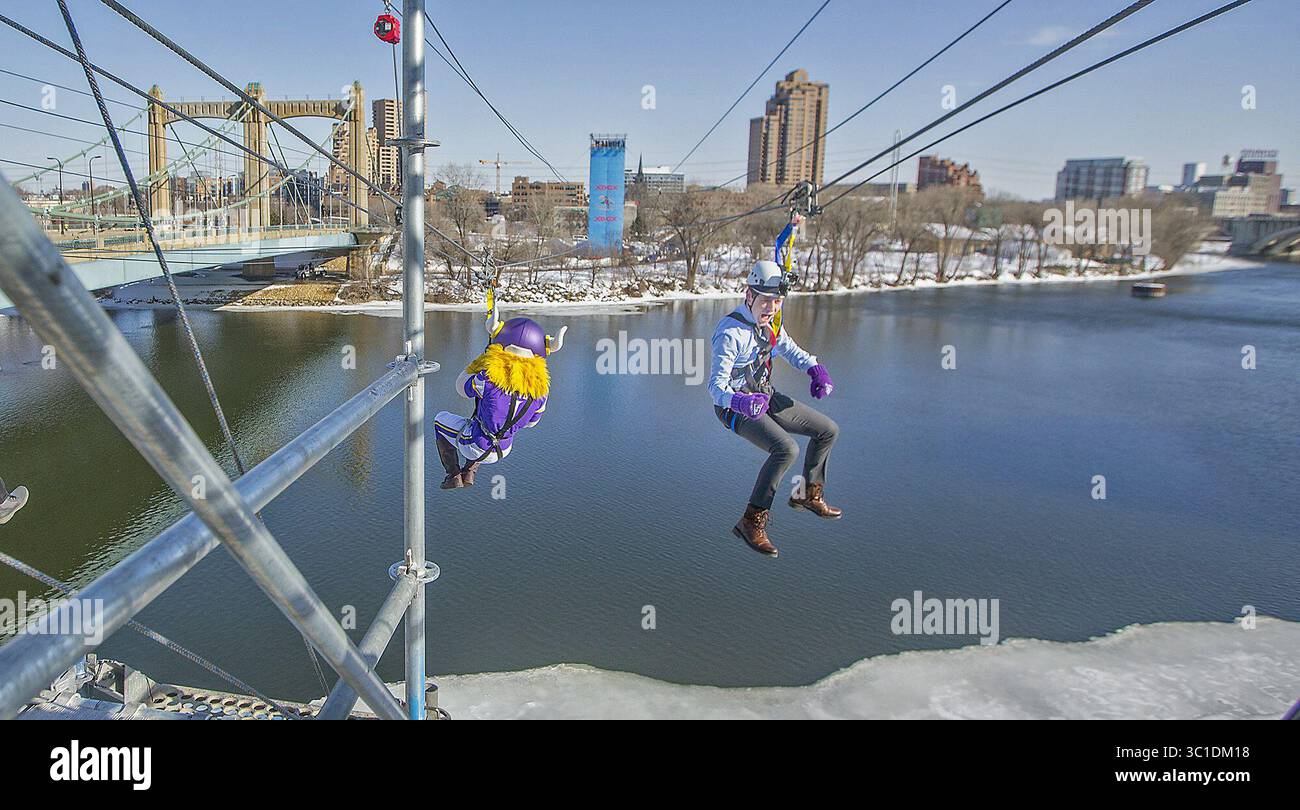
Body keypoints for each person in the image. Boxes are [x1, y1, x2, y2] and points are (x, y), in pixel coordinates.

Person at [709, 260, 840, 557]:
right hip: (734, 407)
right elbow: (715, 388)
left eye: (777, 301)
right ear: (749, 295)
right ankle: (751, 521)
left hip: (765, 396)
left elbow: (791, 350)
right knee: (786, 449)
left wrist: (815, 369)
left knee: (827, 430)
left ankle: (808, 494)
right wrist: (740, 401)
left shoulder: (771, 326)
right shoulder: (731, 332)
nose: (771, 307)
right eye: (765, 300)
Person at [433, 304, 566, 490]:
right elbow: (531, 423)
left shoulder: (489, 379)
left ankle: (453, 474)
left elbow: (461, 387)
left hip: (475, 444)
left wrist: (482, 362)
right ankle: (469, 471)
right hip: (503, 449)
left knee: (440, 420)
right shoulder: (540, 392)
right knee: (481, 424)